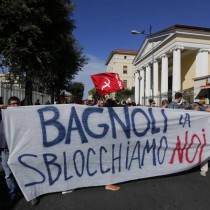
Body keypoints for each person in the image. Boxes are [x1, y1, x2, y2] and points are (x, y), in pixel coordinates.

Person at [0, 96, 39, 206]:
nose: (15, 106)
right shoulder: (2, 114)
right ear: (8, 105)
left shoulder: (23, 116)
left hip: (21, 149)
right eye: (12, 104)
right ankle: (13, 194)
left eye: (17, 103)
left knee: (26, 172)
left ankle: (31, 194)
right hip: (6, 151)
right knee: (8, 175)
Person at [200, 105, 210, 176]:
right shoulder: (202, 118)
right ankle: (204, 169)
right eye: (207, 111)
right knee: (205, 154)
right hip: (204, 138)